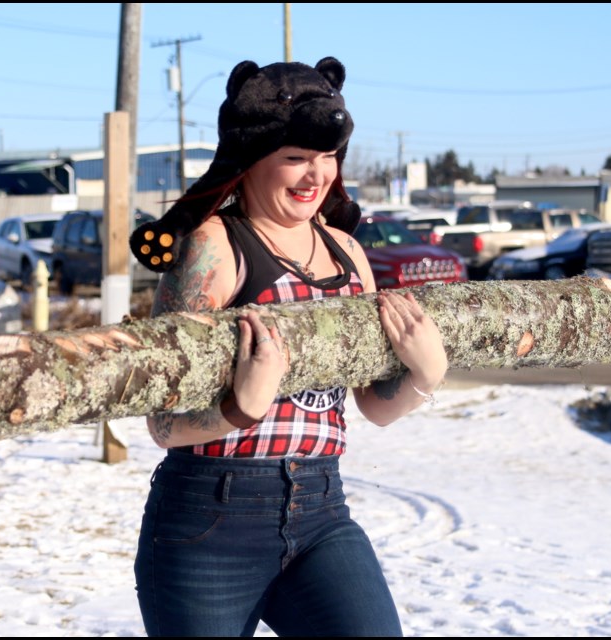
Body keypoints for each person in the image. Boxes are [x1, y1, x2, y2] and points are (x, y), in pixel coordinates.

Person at [129, 57, 448, 637]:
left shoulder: (347, 254)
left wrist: (423, 377)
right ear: (250, 158)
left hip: (321, 510)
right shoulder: (214, 249)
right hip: (208, 521)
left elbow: (373, 405)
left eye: (327, 157)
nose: (315, 176)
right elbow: (163, 424)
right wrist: (238, 408)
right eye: (295, 157)